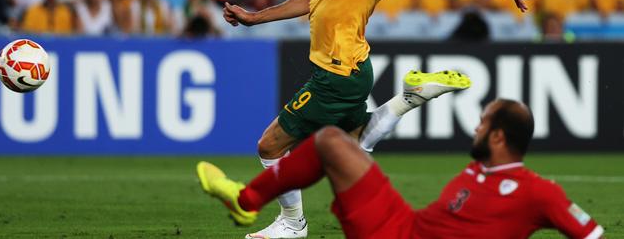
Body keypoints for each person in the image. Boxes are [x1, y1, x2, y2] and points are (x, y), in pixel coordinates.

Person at [221, 0, 529, 237]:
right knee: (358, 142)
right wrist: (257, 17)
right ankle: (408, 100)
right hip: (350, 68)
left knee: (270, 146)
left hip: (338, 72)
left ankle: (293, 224)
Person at [197, 99, 604, 239]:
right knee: (330, 141)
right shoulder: (478, 173)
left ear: (498, 137)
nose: (476, 127)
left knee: (331, 142)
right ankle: (245, 200)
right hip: (403, 226)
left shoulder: (539, 193)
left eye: (483, 122)